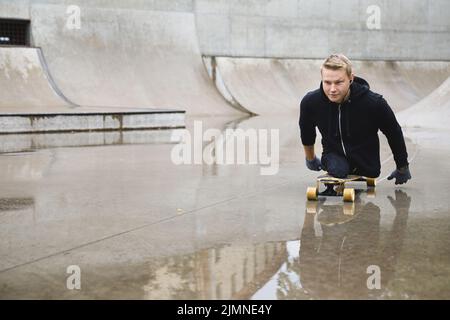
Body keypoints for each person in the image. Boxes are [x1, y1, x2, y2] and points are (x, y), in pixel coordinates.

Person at [299, 54, 411, 184]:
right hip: (333, 155)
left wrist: (402, 167)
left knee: (371, 171)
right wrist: (310, 159)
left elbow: (394, 133)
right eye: (327, 82)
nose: (333, 89)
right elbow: (307, 132)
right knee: (339, 169)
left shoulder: (374, 103)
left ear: (351, 78)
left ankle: (357, 168)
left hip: (366, 160)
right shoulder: (311, 102)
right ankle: (337, 167)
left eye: (339, 82)